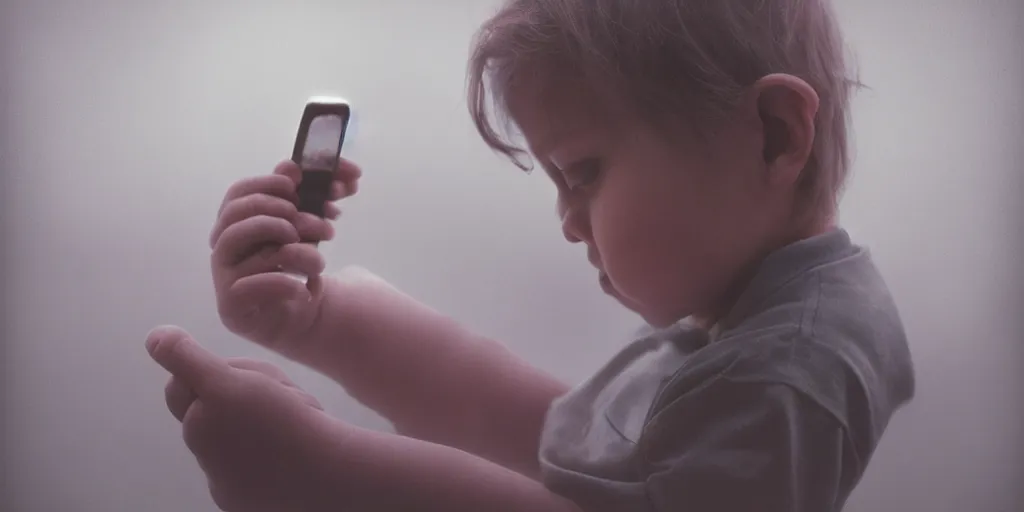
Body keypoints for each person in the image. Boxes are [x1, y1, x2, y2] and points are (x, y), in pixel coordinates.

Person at [145, 0, 916, 510]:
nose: (568, 223)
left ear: (775, 134)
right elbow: (556, 443)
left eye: (583, 173)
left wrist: (321, 474)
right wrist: (318, 323)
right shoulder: (759, 311)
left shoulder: (790, 373)